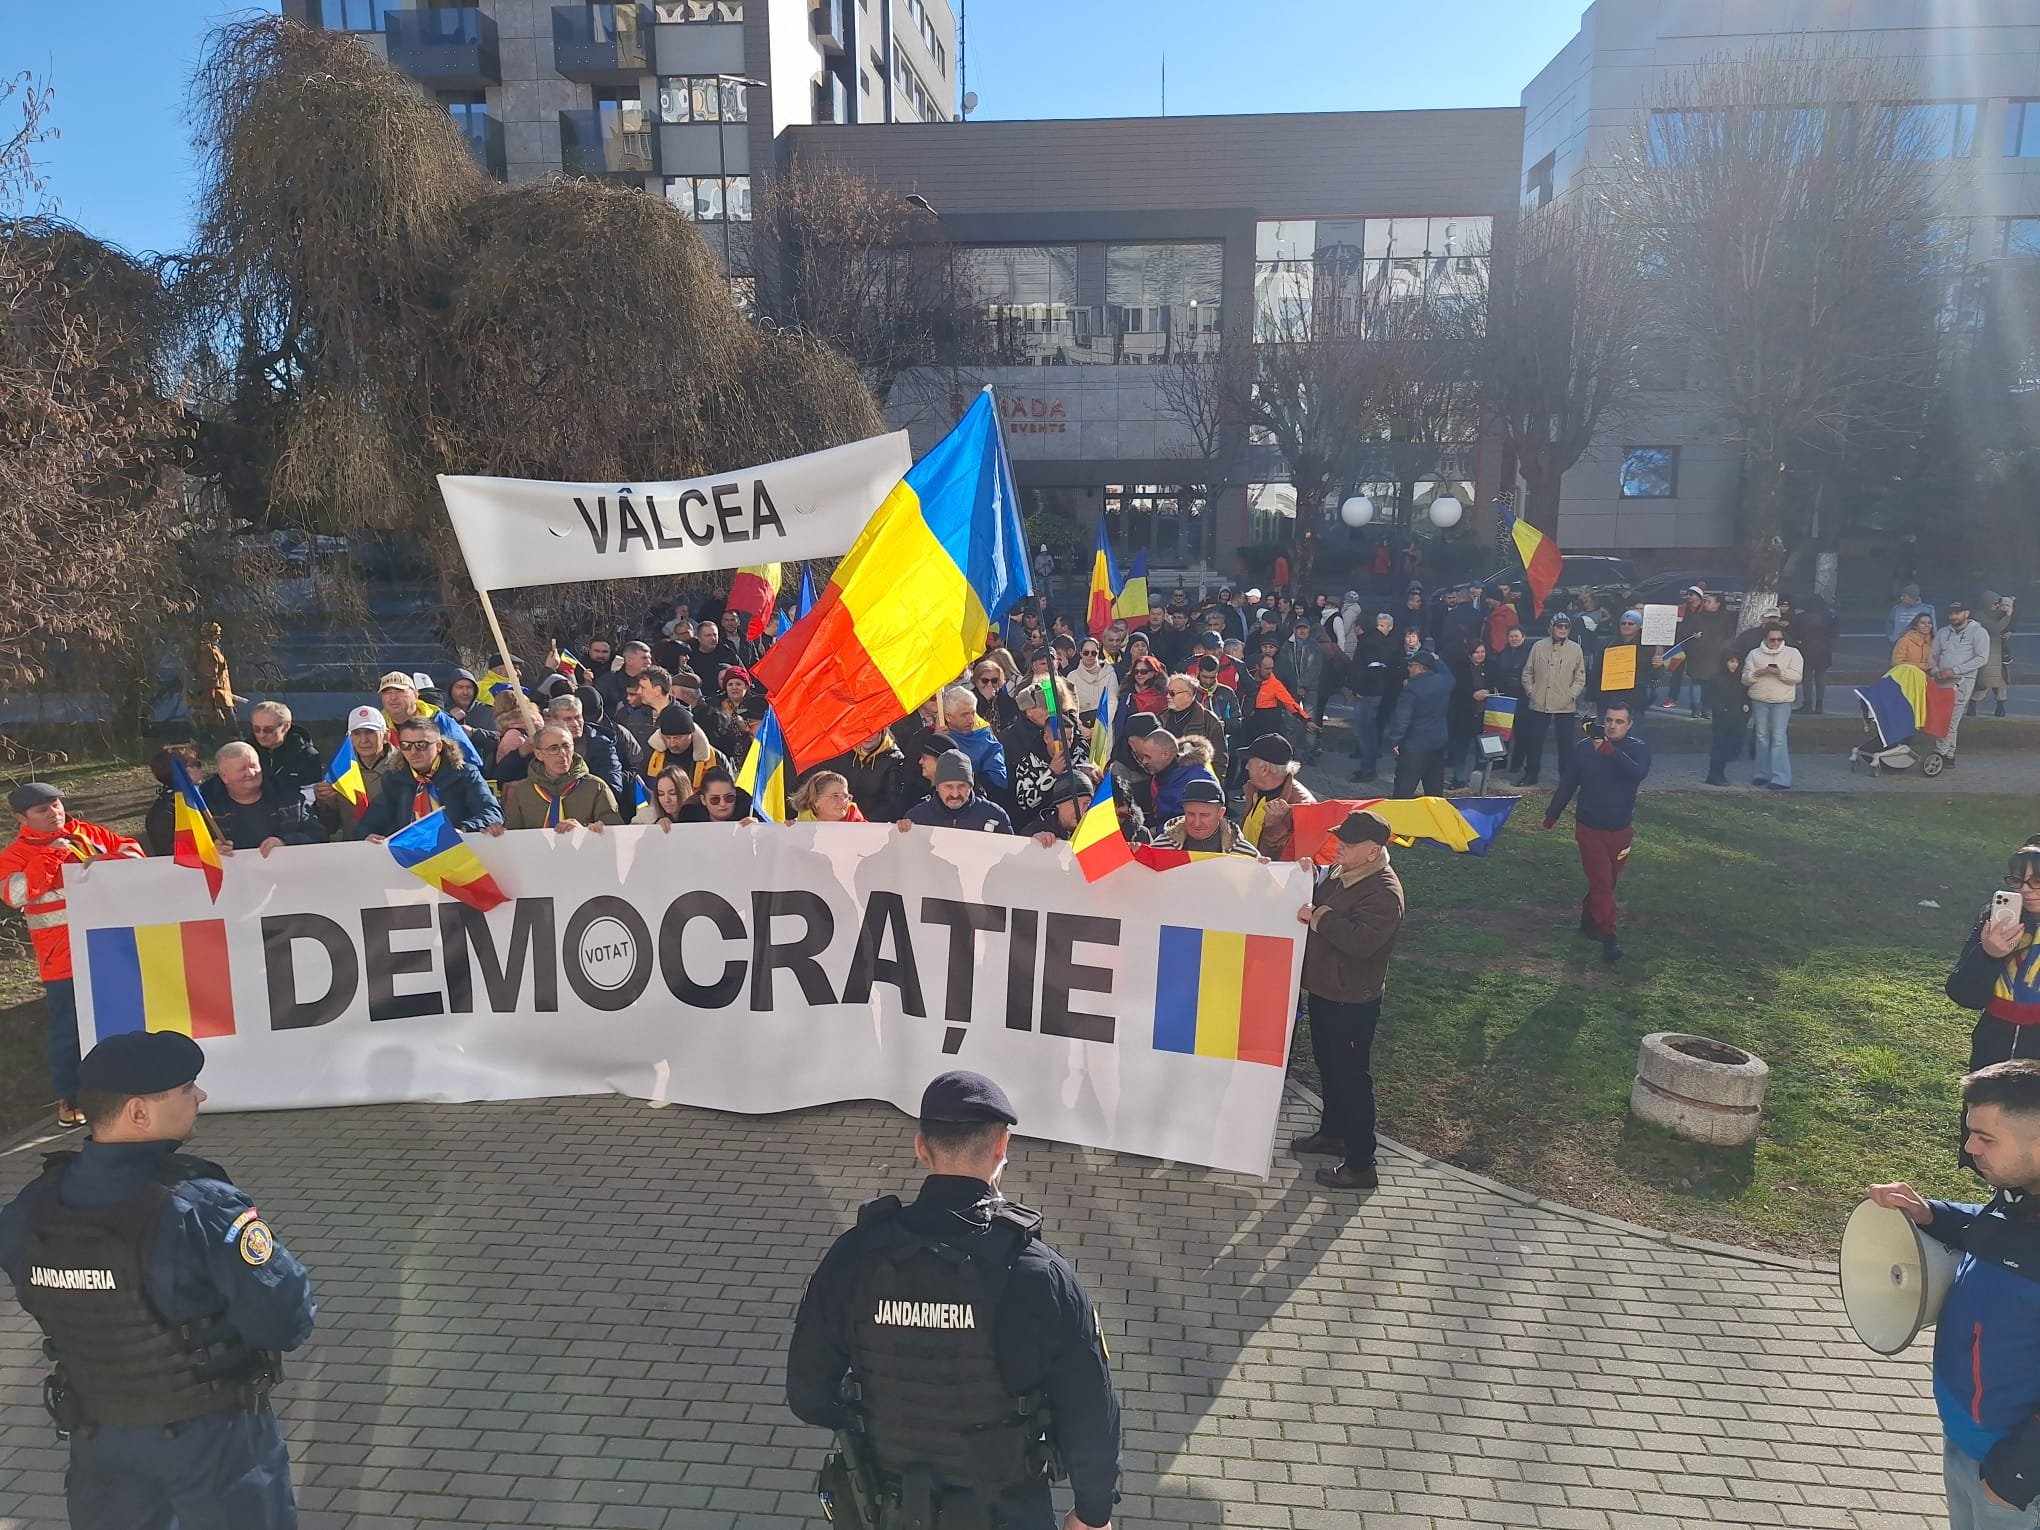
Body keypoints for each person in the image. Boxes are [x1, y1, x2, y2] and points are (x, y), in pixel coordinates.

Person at [0, 1031, 317, 1528]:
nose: (201, 1096)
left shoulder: (30, 1209)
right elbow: (284, 1320)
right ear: (139, 1113)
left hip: (99, 1444)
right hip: (214, 1444)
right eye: (187, 1087)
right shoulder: (199, 1205)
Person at [786, 1069, 1121, 1530]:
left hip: (890, 1508)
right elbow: (1089, 1412)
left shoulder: (855, 1256)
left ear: (921, 1147)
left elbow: (807, 1395)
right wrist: (1092, 1512)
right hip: (1006, 1512)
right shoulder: (1039, 1274)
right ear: (1002, 1147)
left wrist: (882, 1417)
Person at [1866, 1060, 2040, 1527]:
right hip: (1967, 1439)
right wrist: (1929, 1214)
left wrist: (2016, 1476)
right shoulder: (2017, 1195)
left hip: (2016, 1478)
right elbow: (1991, 1232)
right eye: (1970, 1132)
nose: (1969, 1148)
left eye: (1986, 1138)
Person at [0, 783, 147, 1128]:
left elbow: (135, 855)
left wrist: (102, 860)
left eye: (56, 805)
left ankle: (128, 1089)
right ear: (21, 818)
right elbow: (17, 894)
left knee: (124, 1018)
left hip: (111, 946)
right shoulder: (14, 855)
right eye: (42, 810)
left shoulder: (88, 833)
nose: (54, 813)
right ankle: (70, 1098)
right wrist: (53, 853)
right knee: (69, 1031)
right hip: (61, 958)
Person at [1291, 809, 1405, 1192]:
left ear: (1372, 852)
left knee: (1352, 1079)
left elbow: (1361, 943)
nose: (1339, 846)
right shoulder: (1347, 873)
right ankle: (1333, 1132)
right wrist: (1303, 876)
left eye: (1349, 843)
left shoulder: (1384, 893)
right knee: (1330, 1068)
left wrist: (1320, 916)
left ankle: (1361, 1163)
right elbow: (1322, 891)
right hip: (1328, 992)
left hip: (1351, 1001)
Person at [1541, 702, 1651, 964]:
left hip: (1621, 829)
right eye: (1610, 720)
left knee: (1608, 882)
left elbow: (1637, 774)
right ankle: (1609, 938)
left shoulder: (1638, 749)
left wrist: (1610, 751)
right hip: (1589, 827)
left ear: (1630, 724)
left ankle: (1588, 919)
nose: (1613, 726)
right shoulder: (1583, 749)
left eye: (1619, 722)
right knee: (1602, 882)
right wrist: (1552, 814)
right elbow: (1568, 783)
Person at [1945, 840, 2040, 1073]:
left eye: (2037, 881)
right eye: (2018, 880)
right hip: (1992, 1047)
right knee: (1985, 1108)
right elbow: (1965, 995)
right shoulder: (1997, 919)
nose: (2025, 889)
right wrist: (1989, 955)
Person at [359, 716, 503, 841]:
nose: (413, 752)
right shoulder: (394, 778)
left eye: (421, 745)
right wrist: (368, 835)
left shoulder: (464, 773)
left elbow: (492, 812)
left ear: (439, 746)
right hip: (411, 856)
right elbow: (369, 823)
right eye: (406, 745)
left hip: (457, 851)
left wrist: (464, 829)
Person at [200, 743, 325, 856]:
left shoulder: (289, 797)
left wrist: (285, 842)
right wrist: (211, 849)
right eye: (242, 769)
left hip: (286, 874)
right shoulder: (206, 806)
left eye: (253, 766)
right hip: (232, 877)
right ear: (224, 777)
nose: (250, 773)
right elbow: (190, 845)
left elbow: (319, 835)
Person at [495, 723, 623, 833]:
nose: (562, 753)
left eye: (566, 746)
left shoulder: (596, 787)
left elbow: (615, 831)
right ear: (539, 754)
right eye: (553, 748)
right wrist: (497, 833)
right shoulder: (523, 791)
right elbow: (513, 836)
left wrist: (584, 831)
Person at [1514, 614, 1585, 786]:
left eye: (1566, 627)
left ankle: (1566, 777)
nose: (1562, 630)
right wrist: (1531, 692)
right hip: (1539, 702)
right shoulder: (1538, 646)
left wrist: (1571, 695)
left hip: (1565, 705)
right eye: (1559, 626)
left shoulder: (1576, 649)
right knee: (1534, 741)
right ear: (1551, 627)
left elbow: (1580, 677)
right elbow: (1527, 672)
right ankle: (1531, 773)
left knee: (1566, 743)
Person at [1741, 620, 1803, 791]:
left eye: (1779, 639)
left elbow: (1797, 677)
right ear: (1765, 639)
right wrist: (1757, 674)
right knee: (1761, 737)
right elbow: (1745, 678)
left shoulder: (1793, 653)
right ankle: (1761, 774)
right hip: (1759, 699)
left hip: (1782, 701)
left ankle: (1781, 777)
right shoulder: (1754, 654)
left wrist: (1780, 673)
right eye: (1772, 639)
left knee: (1778, 738)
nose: (1775, 642)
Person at [1384, 649, 1452, 800]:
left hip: (1415, 745)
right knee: (1434, 792)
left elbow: (1402, 718)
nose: (1408, 668)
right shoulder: (1443, 682)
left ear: (1421, 667)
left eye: (1411, 665)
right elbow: (1450, 676)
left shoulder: (1412, 689)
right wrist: (1437, 659)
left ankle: (1399, 820)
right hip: (1437, 742)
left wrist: (1395, 740)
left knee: (1404, 790)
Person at [1932, 599, 1991, 767]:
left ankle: (1940, 753)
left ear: (1967, 613)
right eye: (1951, 613)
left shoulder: (1979, 632)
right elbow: (1933, 654)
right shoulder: (1943, 632)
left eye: (1957, 612)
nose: (1953, 616)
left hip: (1962, 680)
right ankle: (1949, 756)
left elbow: (1981, 658)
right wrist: (1935, 670)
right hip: (1941, 680)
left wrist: (1955, 670)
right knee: (1942, 716)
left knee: (1950, 718)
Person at [898, 751, 1014, 834]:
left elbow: (1009, 859)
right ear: (937, 786)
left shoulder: (995, 815)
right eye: (948, 787)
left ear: (971, 786)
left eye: (962, 786)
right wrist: (901, 832)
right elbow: (904, 860)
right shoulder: (917, 818)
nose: (955, 794)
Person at [546, 692, 626, 802]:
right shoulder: (542, 743)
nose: (575, 723)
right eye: (568, 719)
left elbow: (613, 786)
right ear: (553, 721)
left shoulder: (601, 744)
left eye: (578, 717)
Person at [1152, 776, 1257, 857]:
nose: (1197, 823)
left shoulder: (1244, 855)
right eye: (1191, 814)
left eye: (1205, 815)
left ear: (1221, 813)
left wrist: (1262, 870)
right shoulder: (1160, 848)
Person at [245, 702, 324, 799]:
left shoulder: (307, 755)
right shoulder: (244, 753)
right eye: (256, 729)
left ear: (286, 727)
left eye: (268, 729)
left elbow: (311, 797)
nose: (261, 735)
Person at [1160, 673, 1228, 781]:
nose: (1168, 696)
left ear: (1189, 695)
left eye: (1172, 693)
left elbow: (1220, 760)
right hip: (1166, 780)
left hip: (1195, 782)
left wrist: (1213, 784)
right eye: (1167, 692)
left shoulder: (1209, 720)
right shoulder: (1161, 717)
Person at [1702, 653, 1752, 786]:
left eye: (1736, 662)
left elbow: (1745, 697)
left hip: (1737, 719)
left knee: (1731, 746)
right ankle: (1715, 775)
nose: (1734, 665)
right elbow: (1711, 697)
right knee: (1719, 747)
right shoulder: (1717, 678)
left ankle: (1720, 773)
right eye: (1731, 661)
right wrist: (1721, 710)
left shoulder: (1740, 679)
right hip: (1722, 719)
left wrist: (1745, 710)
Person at [1777, 594, 1832, 715]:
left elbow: (1794, 634)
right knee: (1820, 678)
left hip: (1807, 650)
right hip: (1824, 650)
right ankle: (1819, 704)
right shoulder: (1828, 617)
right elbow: (1834, 634)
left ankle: (1807, 704)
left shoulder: (1801, 618)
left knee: (1807, 678)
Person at [1977, 591, 2017, 718]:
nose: (1997, 606)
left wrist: (2009, 632)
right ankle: (1972, 705)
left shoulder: (2000, 614)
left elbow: (2008, 626)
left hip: (1998, 651)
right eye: (1994, 603)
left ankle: (2000, 706)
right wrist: (2007, 617)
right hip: (1984, 652)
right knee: (1982, 682)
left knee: (2000, 680)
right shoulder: (1980, 616)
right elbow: (1995, 628)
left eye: (1997, 603)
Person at [675, 765, 755, 824]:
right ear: (703, 800)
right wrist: (666, 823)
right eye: (715, 799)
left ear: (735, 794)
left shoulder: (750, 811)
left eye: (729, 798)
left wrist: (760, 828)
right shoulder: (688, 819)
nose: (723, 804)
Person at [634, 763, 696, 828]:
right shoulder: (647, 816)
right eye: (661, 794)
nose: (667, 800)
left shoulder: (700, 813)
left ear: (684, 791)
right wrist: (654, 825)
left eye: (672, 793)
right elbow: (630, 832)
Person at [792, 770, 867, 823]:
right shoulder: (801, 824)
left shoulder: (853, 814)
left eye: (845, 796)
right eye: (835, 796)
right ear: (815, 800)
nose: (843, 801)